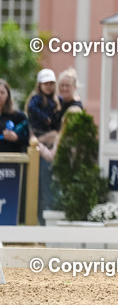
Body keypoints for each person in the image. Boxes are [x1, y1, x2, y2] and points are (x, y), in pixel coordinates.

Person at [26, 68, 60, 223]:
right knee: (41, 182)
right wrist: (45, 118)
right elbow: (31, 109)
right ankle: (41, 217)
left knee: (49, 181)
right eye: (46, 83)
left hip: (52, 141)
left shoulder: (55, 100)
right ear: (39, 85)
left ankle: (48, 215)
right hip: (39, 139)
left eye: (51, 83)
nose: (49, 86)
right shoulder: (37, 99)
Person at [0, 78, 29, 153]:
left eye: (2, 92)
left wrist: (16, 138)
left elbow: (30, 140)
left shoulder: (18, 116)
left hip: (12, 161)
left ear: (8, 95)